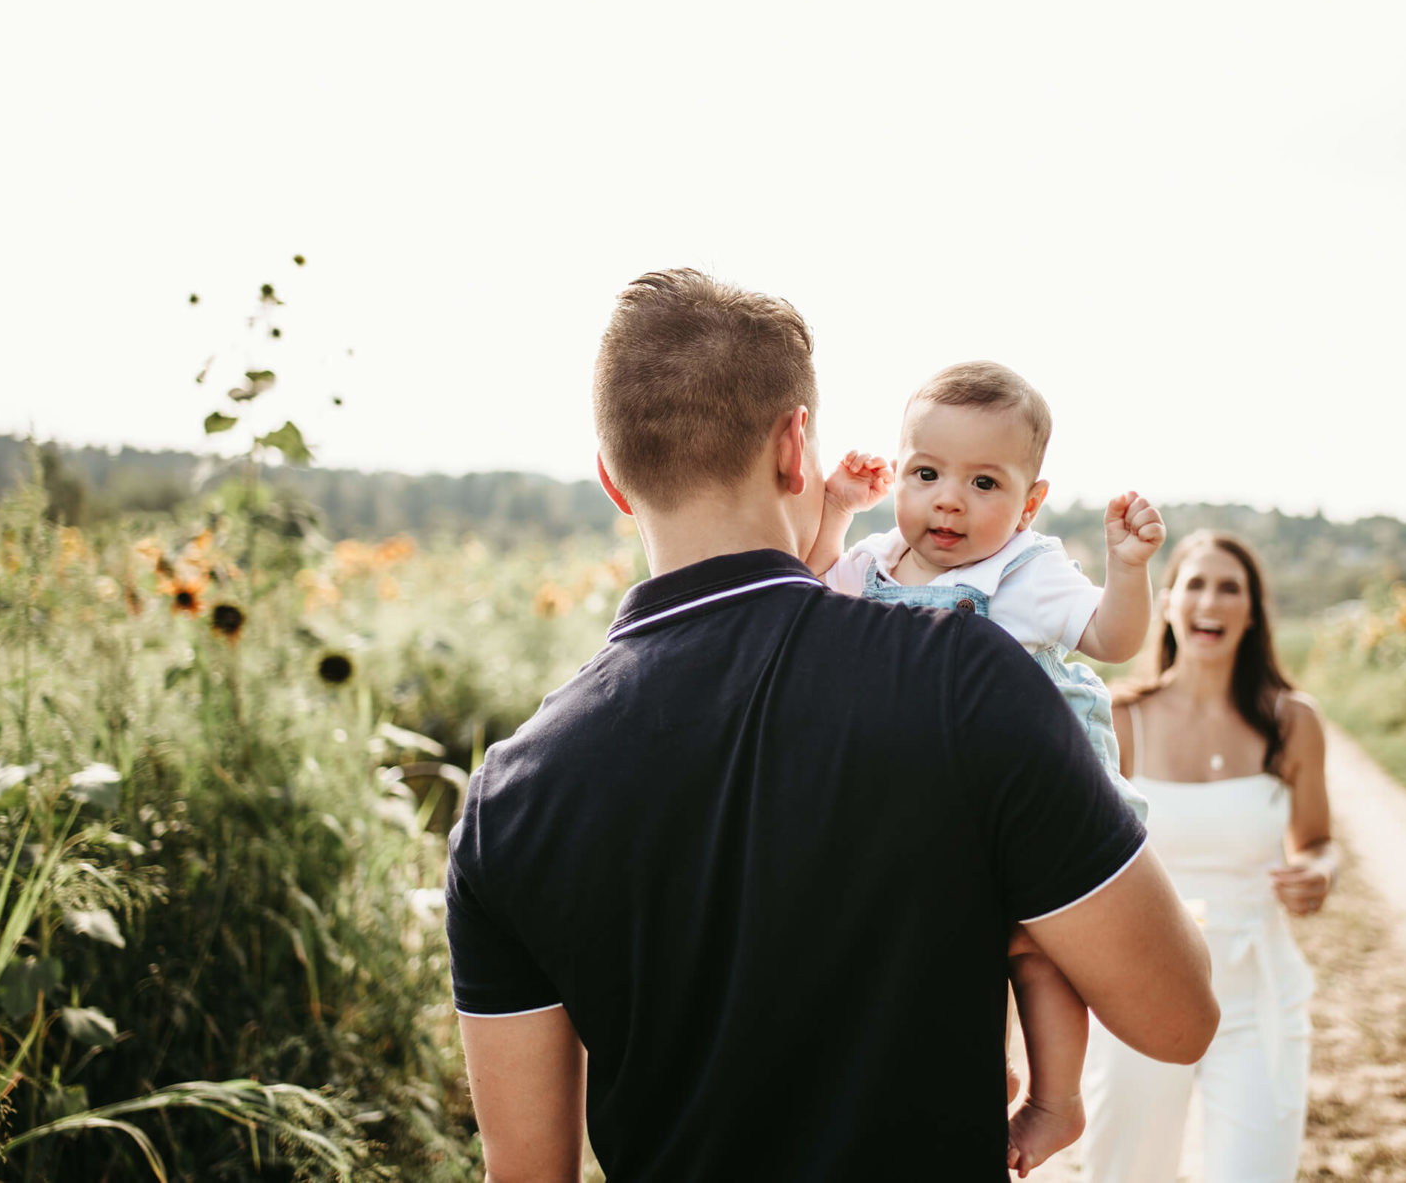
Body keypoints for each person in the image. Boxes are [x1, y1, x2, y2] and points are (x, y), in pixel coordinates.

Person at [445, 268, 1218, 1183]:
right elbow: (1178, 1020)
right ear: (793, 448)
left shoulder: (507, 801)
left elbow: (526, 1174)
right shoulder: (966, 678)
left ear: (614, 480)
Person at [807, 361, 1164, 1175]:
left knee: (1036, 948)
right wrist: (835, 511)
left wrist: (1129, 570)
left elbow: (1111, 639)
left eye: (984, 483)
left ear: (1030, 503)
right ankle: (985, 1064)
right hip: (937, 799)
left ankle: (1056, 1099)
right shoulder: (873, 563)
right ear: (899, 473)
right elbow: (812, 592)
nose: (949, 501)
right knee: (953, 935)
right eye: (927, 474)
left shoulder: (1024, 571)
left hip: (1039, 792)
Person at [1079, 531, 1338, 1183]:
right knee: (1126, 1174)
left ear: (1252, 613)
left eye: (1230, 588)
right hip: (1140, 995)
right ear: (1167, 603)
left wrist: (1318, 871)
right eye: (1195, 584)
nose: (1211, 602)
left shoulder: (1293, 722)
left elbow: (1316, 840)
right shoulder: (1120, 719)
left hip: (1257, 1000)